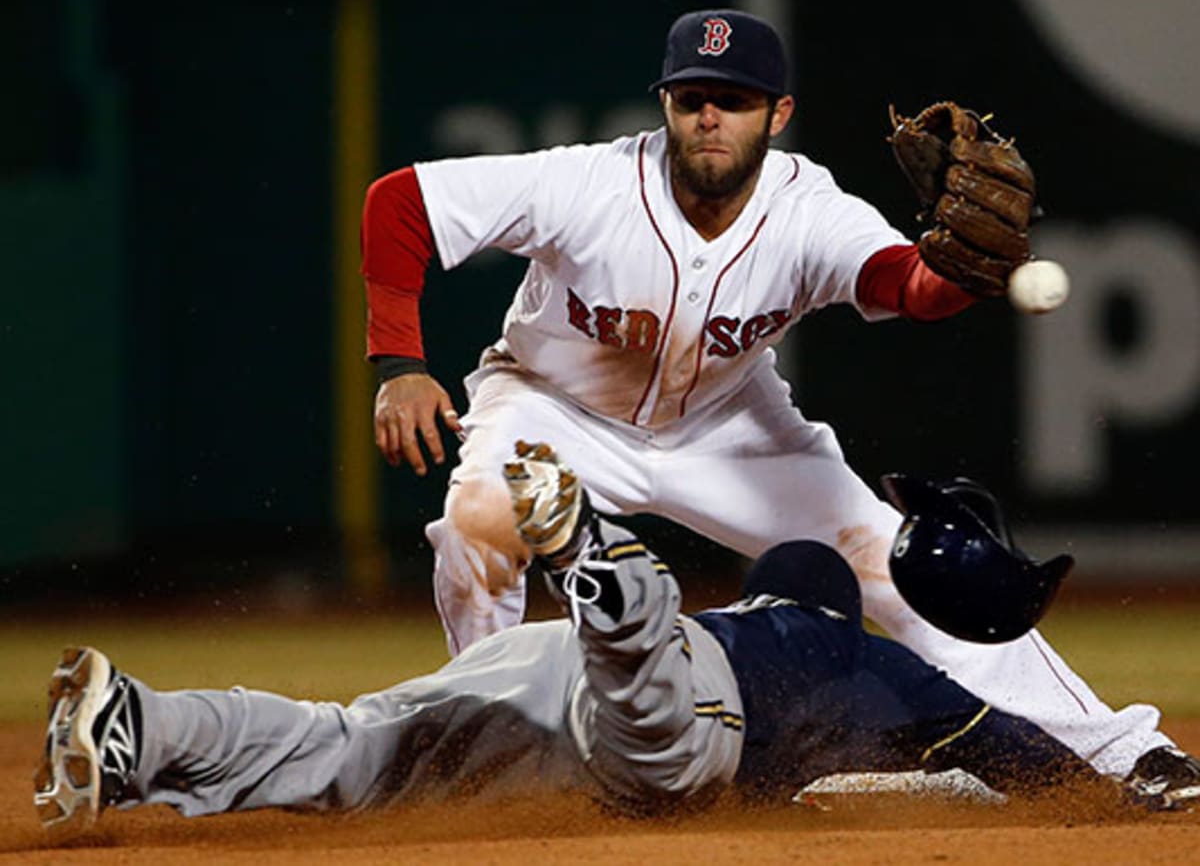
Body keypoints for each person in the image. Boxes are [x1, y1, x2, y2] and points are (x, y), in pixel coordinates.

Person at [359, 8, 1199, 790]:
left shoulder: (808, 209)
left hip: (730, 428)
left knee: (895, 565)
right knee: (478, 521)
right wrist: (400, 363)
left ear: (778, 112)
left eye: (734, 101)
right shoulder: (588, 185)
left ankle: (1128, 754)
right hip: (552, 406)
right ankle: (481, 743)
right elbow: (399, 203)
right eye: (692, 100)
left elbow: (902, 284)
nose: (710, 119)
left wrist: (953, 274)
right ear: (666, 106)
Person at [36, 443, 1119, 832]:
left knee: (344, 748)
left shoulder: (772, 629)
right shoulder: (856, 657)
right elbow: (1014, 752)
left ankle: (138, 725)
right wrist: (1124, 795)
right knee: (655, 701)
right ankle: (595, 551)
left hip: (540, 675)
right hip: (667, 695)